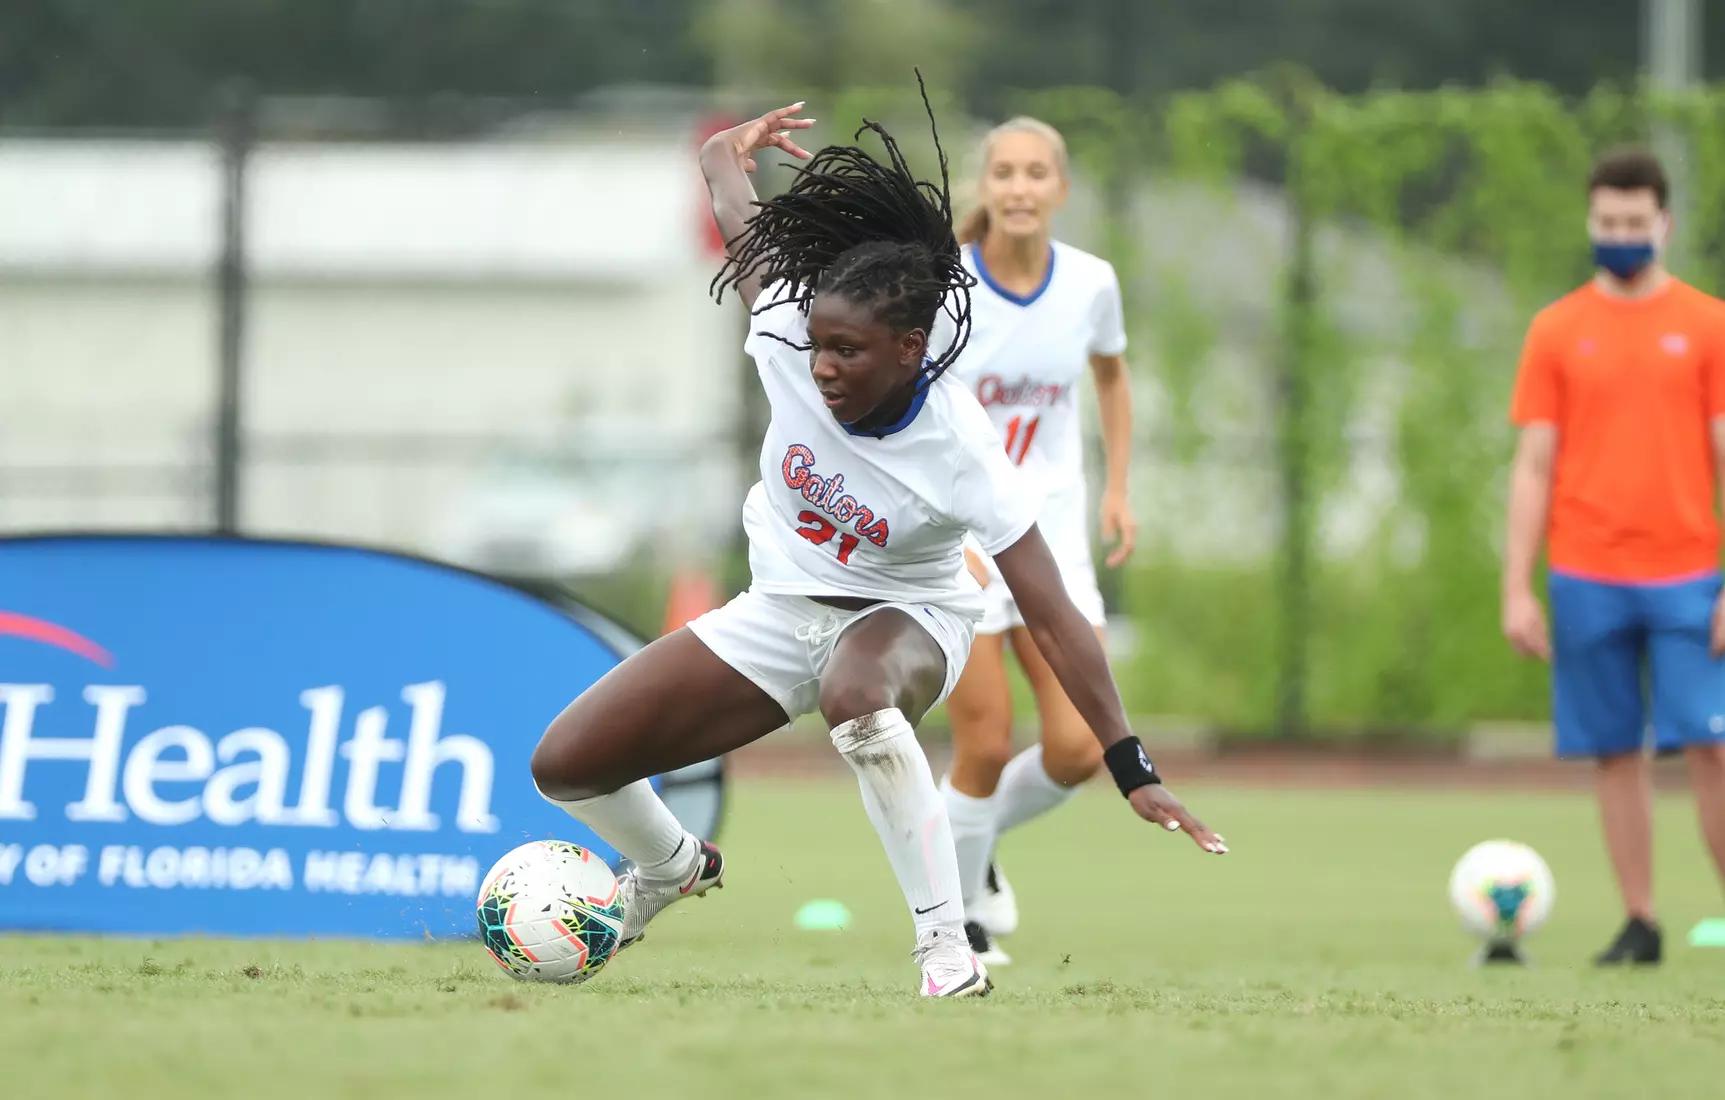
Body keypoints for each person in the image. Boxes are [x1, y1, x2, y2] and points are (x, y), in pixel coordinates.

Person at [529, 85, 1227, 998]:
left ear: (909, 348)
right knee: (566, 766)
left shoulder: (962, 448)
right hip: (780, 610)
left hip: (912, 618)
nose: (822, 366)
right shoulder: (785, 333)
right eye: (818, 344)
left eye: (848, 351)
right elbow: (739, 215)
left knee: (855, 690)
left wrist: (1129, 762)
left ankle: (947, 949)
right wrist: (720, 156)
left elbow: (1052, 613)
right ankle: (669, 868)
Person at [1504, 146, 1725, 966]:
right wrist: (1514, 587)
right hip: (1586, 572)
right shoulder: (1557, 330)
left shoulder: (1708, 325)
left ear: (1662, 223)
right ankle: (1640, 921)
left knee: (1710, 743)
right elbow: (1533, 464)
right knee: (1611, 748)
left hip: (1689, 574)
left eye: (1636, 223)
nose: (1621, 235)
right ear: (1590, 223)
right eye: (1608, 223)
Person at [935, 117, 1137, 966]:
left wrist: (1119, 485)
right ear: (986, 186)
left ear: (1059, 189)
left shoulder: (1090, 283)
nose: (1018, 188)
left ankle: (961, 857)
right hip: (961, 541)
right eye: (1004, 173)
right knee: (982, 742)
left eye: (1035, 173)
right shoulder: (945, 285)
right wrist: (950, 523)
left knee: (1080, 745)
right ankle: (958, 921)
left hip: (1050, 537)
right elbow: (920, 408)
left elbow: (1111, 374)